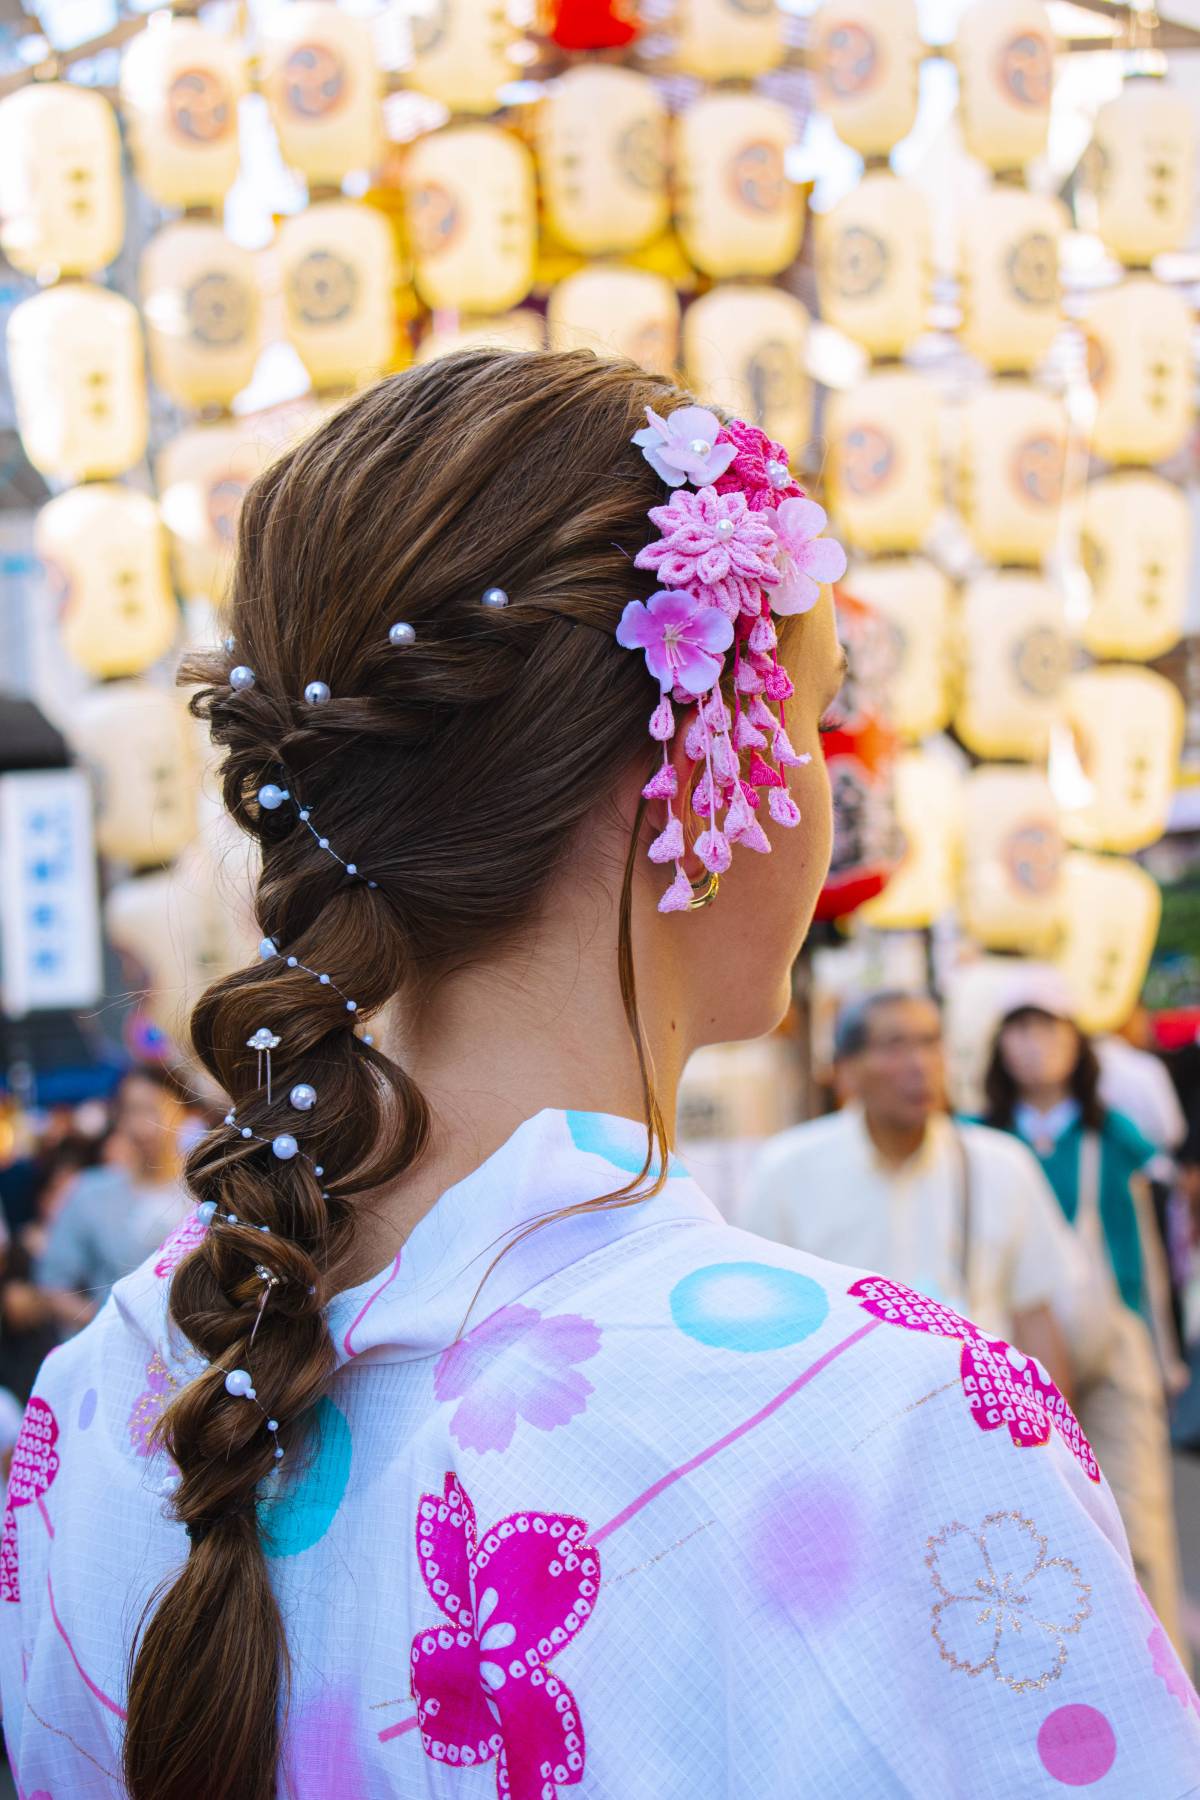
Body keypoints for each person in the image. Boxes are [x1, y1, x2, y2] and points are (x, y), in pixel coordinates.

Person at [2, 354, 1197, 1800]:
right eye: (816, 722)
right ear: (695, 768)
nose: (832, 790)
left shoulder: (117, 1392)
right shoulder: (894, 1428)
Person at [982, 972, 1187, 1656]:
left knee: (1137, 1519)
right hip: (1012, 1353)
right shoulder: (978, 1140)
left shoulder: (1115, 1134)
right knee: (1034, 1527)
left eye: (1049, 1027)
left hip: (1113, 1341)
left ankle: (1165, 1691)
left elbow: (1151, 1251)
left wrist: (1166, 1355)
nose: (1033, 1045)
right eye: (1019, 1028)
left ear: (1077, 1041)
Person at [745, 992, 1084, 1395]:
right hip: (848, 1425)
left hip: (978, 1421)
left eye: (930, 1043)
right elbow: (760, 1325)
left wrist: (1054, 1445)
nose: (919, 1064)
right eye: (894, 1046)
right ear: (847, 1071)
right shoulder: (787, 1171)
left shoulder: (1001, 1164)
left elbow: (1034, 1316)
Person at [33, 1066, 191, 1318]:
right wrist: (106, 1331)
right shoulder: (91, 1192)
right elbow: (54, 1284)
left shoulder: (203, 1195)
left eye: (154, 1109)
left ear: (182, 1112)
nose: (144, 1126)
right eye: (132, 1111)